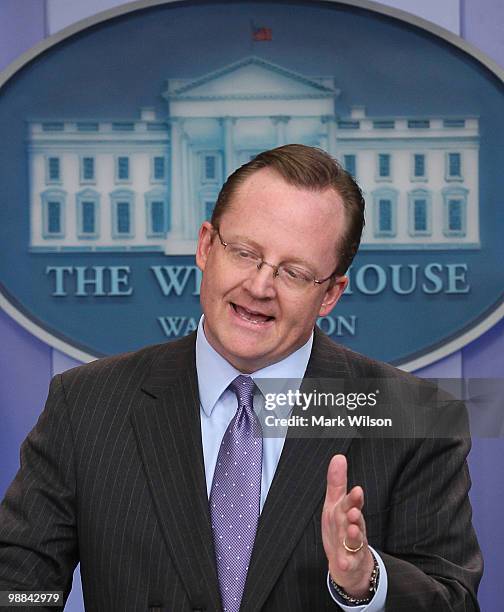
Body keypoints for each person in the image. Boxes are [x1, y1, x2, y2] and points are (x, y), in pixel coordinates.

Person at [0, 145, 482, 611]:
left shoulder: (416, 419)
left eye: (293, 272)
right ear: (206, 245)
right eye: (246, 253)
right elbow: (19, 587)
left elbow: (453, 602)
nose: (258, 287)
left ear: (331, 293)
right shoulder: (84, 404)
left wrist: (367, 583)